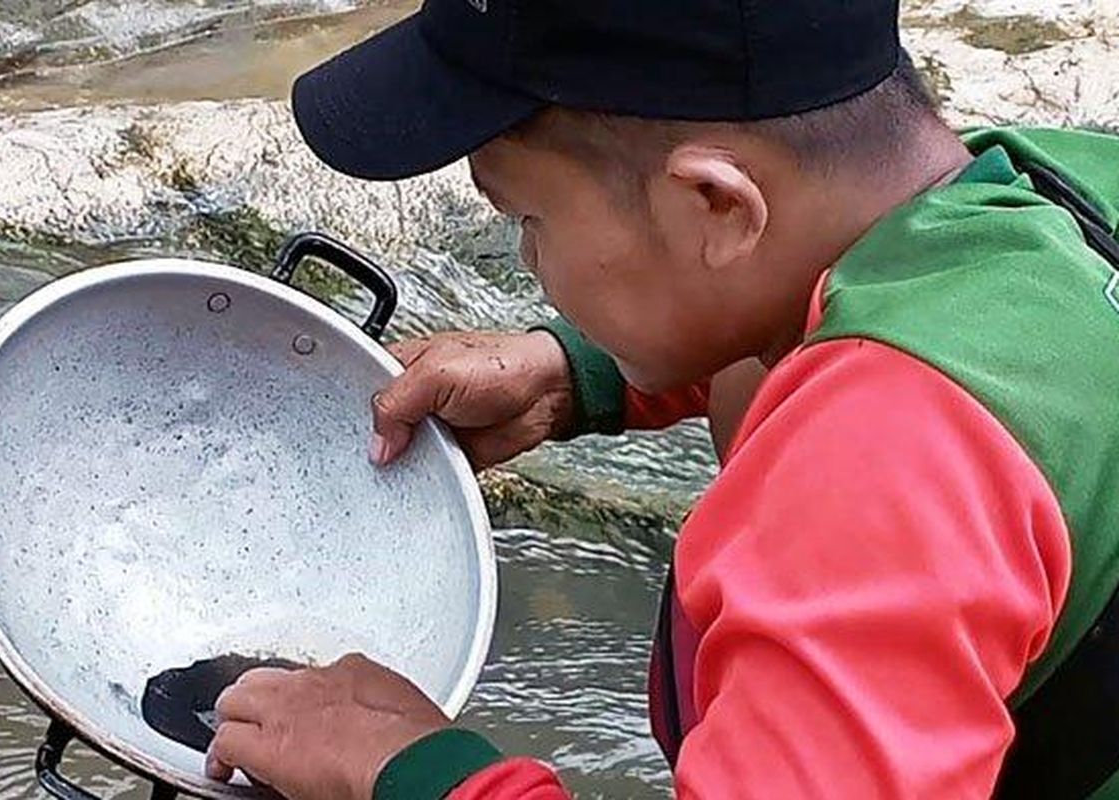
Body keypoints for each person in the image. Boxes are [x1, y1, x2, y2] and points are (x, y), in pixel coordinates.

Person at [202, 0, 1119, 798]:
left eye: (529, 219)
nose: (529, 262)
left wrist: (411, 771)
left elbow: (899, 457)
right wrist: (579, 373)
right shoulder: (1064, 190)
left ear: (716, 206)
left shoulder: (875, 471)